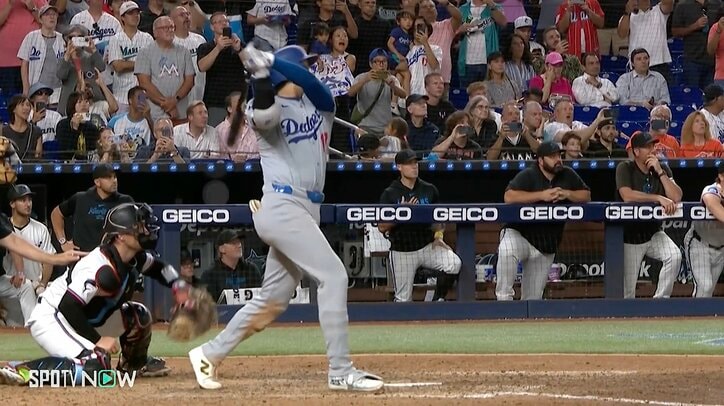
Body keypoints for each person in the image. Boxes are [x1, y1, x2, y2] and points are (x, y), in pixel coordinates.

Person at [187, 44, 384, 392]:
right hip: (281, 205)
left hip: (306, 210)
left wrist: (272, 62)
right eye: (302, 66)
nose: (309, 71)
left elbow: (318, 86)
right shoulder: (262, 105)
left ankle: (208, 354)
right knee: (335, 277)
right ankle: (340, 371)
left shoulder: (320, 105)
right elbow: (265, 113)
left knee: (273, 299)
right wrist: (263, 75)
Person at [0, 203, 188, 386]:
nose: (146, 230)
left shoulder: (133, 258)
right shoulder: (99, 267)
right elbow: (68, 305)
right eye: (139, 226)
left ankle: (133, 366)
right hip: (53, 318)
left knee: (138, 316)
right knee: (96, 366)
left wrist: (179, 286)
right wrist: (98, 340)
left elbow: (158, 268)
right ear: (121, 236)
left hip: (83, 317)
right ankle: (21, 370)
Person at [495, 141, 591, 300]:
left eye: (559, 155)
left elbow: (586, 195)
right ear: (540, 160)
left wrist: (567, 194)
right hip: (520, 235)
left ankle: (527, 322)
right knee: (507, 250)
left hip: (546, 244)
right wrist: (541, 195)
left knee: (533, 299)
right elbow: (509, 196)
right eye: (552, 157)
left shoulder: (567, 174)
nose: (558, 159)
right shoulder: (529, 174)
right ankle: (504, 302)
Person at [378, 149, 462, 302]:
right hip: (402, 251)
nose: (414, 166)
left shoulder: (429, 189)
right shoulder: (390, 193)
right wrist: (401, 213)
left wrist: (439, 236)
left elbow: (439, 219)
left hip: (427, 246)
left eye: (415, 163)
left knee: (454, 263)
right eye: (409, 163)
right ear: (399, 167)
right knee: (403, 300)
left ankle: (437, 300)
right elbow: (382, 227)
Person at [615, 131, 683, 299]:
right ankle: (625, 321)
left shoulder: (662, 168)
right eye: (647, 147)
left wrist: (660, 171)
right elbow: (627, 195)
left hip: (653, 233)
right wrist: (658, 197)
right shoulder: (625, 167)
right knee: (627, 293)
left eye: (653, 146)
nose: (653, 150)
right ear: (636, 151)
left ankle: (660, 302)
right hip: (630, 237)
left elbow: (676, 197)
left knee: (674, 256)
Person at [50, 163, 134, 254]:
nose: (114, 180)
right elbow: (56, 213)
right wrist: (63, 242)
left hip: (111, 258)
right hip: (82, 258)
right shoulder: (80, 198)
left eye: (114, 177)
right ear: (97, 182)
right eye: (108, 177)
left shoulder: (125, 201)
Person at [684, 166, 724, 298]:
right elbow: (712, 204)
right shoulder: (712, 190)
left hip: (721, 249)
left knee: (709, 291)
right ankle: (692, 317)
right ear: (721, 176)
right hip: (700, 244)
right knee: (704, 287)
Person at [201, 230, 263, 303]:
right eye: (234, 243)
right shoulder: (210, 275)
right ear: (222, 249)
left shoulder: (251, 270)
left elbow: (259, 296)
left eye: (239, 242)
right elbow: (208, 305)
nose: (239, 245)